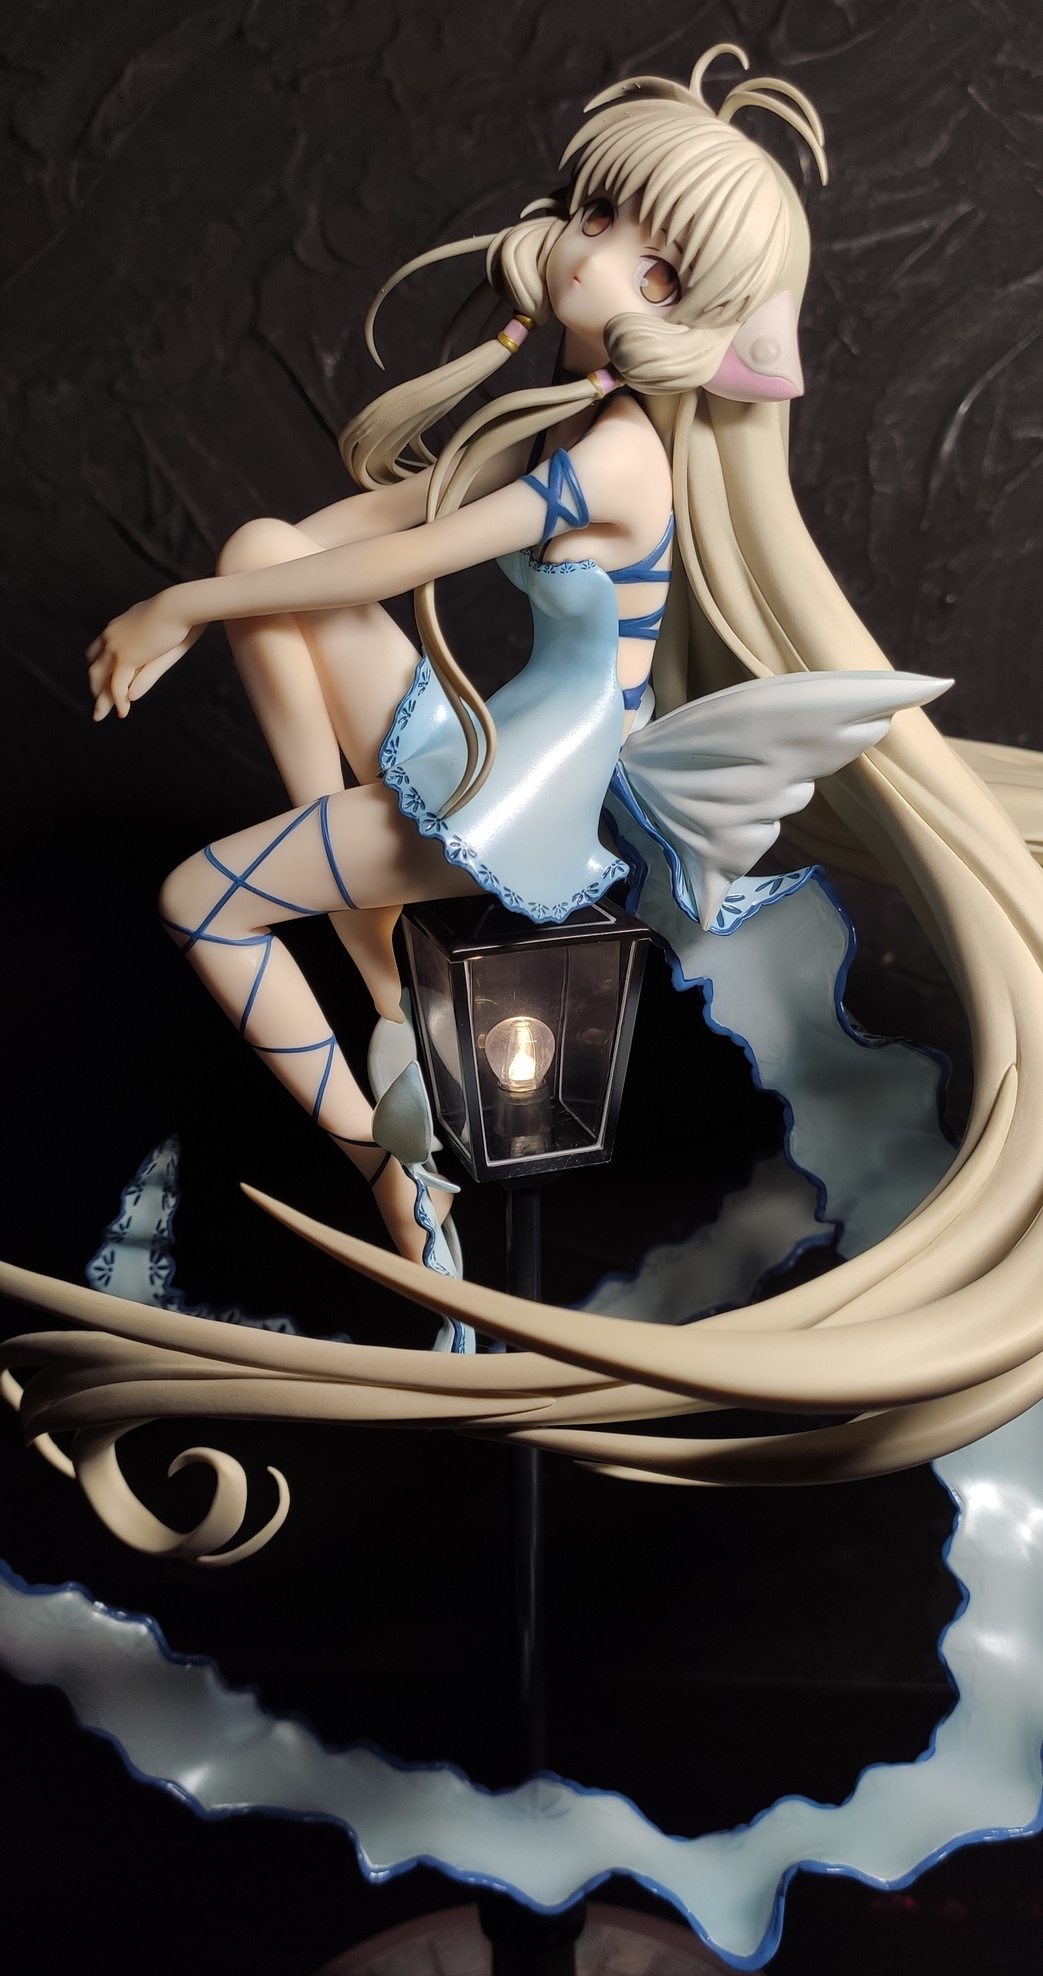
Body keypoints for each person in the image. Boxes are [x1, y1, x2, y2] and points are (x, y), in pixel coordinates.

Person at [83, 49, 940, 1333]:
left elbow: (410, 559)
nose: (590, 258)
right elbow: (342, 534)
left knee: (198, 900)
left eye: (651, 266)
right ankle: (377, 973)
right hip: (499, 740)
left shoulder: (620, 457)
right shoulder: (564, 418)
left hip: (530, 793)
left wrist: (181, 609)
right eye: (593, 216)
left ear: (693, 317)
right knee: (261, 549)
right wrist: (228, 584)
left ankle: (386, 1163)